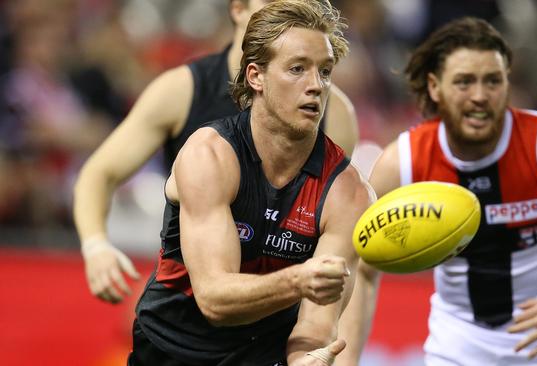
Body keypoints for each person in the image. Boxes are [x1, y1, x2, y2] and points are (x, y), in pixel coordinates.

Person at [338, 17, 537, 365]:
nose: (480, 96)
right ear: (434, 86)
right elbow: (358, 265)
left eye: (493, 81)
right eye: (464, 82)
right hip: (458, 346)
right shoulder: (405, 162)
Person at [126, 1, 373, 365]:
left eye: (324, 71)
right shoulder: (209, 155)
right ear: (256, 76)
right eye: (297, 69)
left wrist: (306, 358)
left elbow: (317, 322)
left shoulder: (348, 192)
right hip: (170, 352)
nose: (316, 86)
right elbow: (214, 299)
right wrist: (299, 280)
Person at [73, 0, 359, 304]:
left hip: (275, 304)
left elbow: (334, 227)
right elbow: (100, 172)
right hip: (191, 291)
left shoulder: (334, 112)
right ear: (238, 9)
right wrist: (96, 246)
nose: (284, 12)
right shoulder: (183, 90)